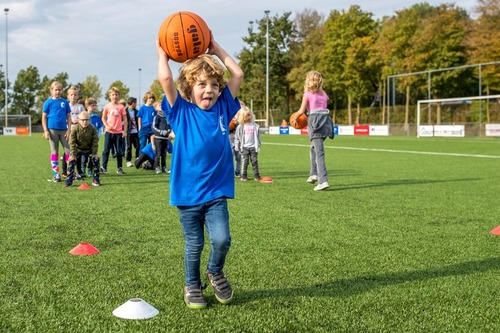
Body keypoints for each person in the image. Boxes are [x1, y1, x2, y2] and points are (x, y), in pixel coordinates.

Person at [157, 32, 243, 309]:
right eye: (202, 84)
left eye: (215, 85)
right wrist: (163, 53)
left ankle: (215, 271)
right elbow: (167, 79)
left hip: (216, 193)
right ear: (189, 88)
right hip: (188, 194)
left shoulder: (223, 108)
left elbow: (238, 74)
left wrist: (215, 47)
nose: (209, 90)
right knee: (194, 244)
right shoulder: (180, 111)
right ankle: (192, 284)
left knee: (222, 239)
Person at [291, 70, 334, 191]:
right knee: (313, 148)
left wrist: (294, 118)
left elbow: (301, 111)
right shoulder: (324, 94)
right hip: (326, 122)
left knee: (319, 152)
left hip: (315, 123)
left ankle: (323, 180)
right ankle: (313, 174)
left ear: (307, 81)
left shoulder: (308, 95)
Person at [42, 81, 72, 182]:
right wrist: (46, 130)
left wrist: (69, 129)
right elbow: (44, 117)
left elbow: (68, 116)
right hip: (52, 130)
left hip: (64, 130)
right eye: (56, 90)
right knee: (54, 151)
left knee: (68, 150)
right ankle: (56, 174)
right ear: (51, 90)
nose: (58, 92)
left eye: (60, 90)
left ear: (62, 91)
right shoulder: (48, 102)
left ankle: (70, 172)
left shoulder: (65, 102)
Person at [65, 111, 101, 187]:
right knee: (71, 160)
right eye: (83, 120)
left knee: (96, 159)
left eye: (87, 119)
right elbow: (72, 142)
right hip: (78, 149)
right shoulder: (75, 128)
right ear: (78, 120)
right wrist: (73, 155)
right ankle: (69, 181)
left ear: (89, 120)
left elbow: (95, 141)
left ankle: (96, 179)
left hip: (89, 149)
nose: (85, 121)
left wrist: (94, 153)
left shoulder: (92, 128)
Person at [100, 87, 128, 174]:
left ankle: (119, 168)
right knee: (106, 150)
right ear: (110, 96)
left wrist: (125, 131)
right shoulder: (107, 106)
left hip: (118, 133)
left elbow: (125, 120)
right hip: (109, 132)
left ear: (119, 96)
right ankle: (104, 167)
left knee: (119, 151)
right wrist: (107, 126)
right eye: (113, 95)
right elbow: (103, 117)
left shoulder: (121, 107)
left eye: (116, 94)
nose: (115, 96)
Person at [234, 105, 261, 181]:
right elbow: (237, 137)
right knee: (245, 162)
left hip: (253, 147)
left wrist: (258, 145)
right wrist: (236, 145)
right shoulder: (240, 127)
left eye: (249, 115)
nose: (248, 117)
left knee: (254, 161)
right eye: (246, 116)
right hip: (244, 147)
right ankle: (243, 176)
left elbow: (258, 137)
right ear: (242, 117)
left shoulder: (255, 126)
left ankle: (256, 175)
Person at [66, 86, 86, 178]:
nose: (73, 97)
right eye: (71, 95)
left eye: (75, 95)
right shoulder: (67, 106)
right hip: (69, 131)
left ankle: (79, 170)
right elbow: (64, 118)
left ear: (78, 96)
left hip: (79, 131)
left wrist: (78, 120)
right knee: (68, 151)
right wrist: (70, 122)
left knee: (78, 152)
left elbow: (84, 117)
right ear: (68, 96)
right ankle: (67, 170)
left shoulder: (80, 107)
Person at [151, 101, 174, 174]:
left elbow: (170, 125)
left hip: (166, 138)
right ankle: (157, 167)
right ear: (156, 108)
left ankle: (164, 167)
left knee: (164, 153)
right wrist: (160, 131)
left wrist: (169, 131)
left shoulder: (167, 116)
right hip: (158, 138)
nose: (161, 106)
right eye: (159, 105)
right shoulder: (156, 117)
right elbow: (154, 127)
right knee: (158, 153)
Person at [125, 97, 140, 167]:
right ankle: (128, 160)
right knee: (128, 147)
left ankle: (137, 158)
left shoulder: (136, 112)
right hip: (128, 132)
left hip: (136, 132)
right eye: (135, 103)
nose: (136, 104)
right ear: (132, 103)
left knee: (138, 146)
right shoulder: (124, 111)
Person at [228, 111, 241, 177]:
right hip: (230, 139)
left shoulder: (241, 119)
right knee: (231, 157)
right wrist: (232, 124)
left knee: (238, 157)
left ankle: (238, 172)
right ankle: (231, 172)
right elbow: (227, 129)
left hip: (238, 140)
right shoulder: (228, 117)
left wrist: (237, 123)